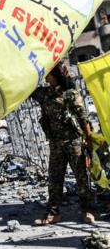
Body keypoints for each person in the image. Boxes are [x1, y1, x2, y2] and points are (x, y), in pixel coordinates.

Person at [31, 63, 94, 225]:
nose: (46, 78)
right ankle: (54, 213)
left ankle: (87, 210)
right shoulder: (44, 94)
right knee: (54, 179)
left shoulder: (70, 94)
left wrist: (88, 140)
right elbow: (28, 89)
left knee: (81, 178)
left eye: (49, 74)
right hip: (55, 144)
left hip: (74, 142)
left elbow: (83, 118)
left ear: (56, 76)